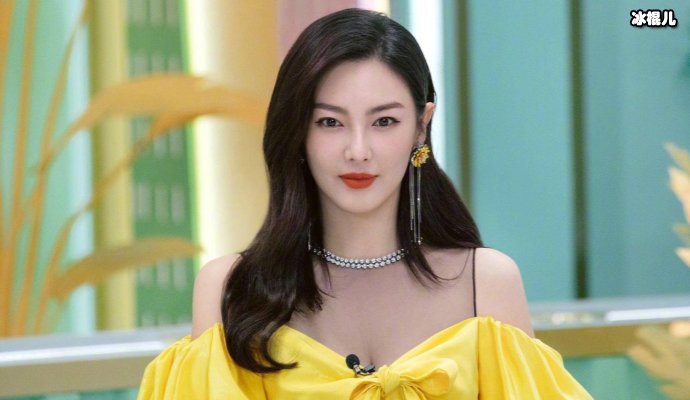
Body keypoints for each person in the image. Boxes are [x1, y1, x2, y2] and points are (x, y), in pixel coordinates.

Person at [137, 8, 592, 399]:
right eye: (330, 122)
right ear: (298, 130)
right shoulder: (229, 289)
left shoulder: (486, 282)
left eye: (384, 121)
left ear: (421, 125)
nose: (358, 150)